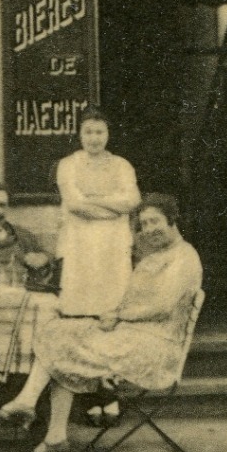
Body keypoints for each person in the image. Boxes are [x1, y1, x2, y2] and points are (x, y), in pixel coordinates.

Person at [0, 194, 202, 452]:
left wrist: (118, 316)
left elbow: (163, 306)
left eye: (155, 221)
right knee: (58, 334)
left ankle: (42, 422)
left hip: (155, 346)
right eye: (144, 224)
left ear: (172, 221)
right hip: (134, 333)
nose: (149, 229)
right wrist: (115, 315)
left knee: (63, 345)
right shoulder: (157, 254)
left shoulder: (184, 258)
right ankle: (40, 419)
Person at [54, 109, 140, 314]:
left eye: (99, 132)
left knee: (113, 301)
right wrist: (113, 208)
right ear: (80, 135)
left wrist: (92, 200)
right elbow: (74, 204)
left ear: (108, 134)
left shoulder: (121, 165)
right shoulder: (68, 165)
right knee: (81, 299)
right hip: (80, 241)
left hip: (114, 241)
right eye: (88, 132)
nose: (94, 138)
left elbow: (132, 200)